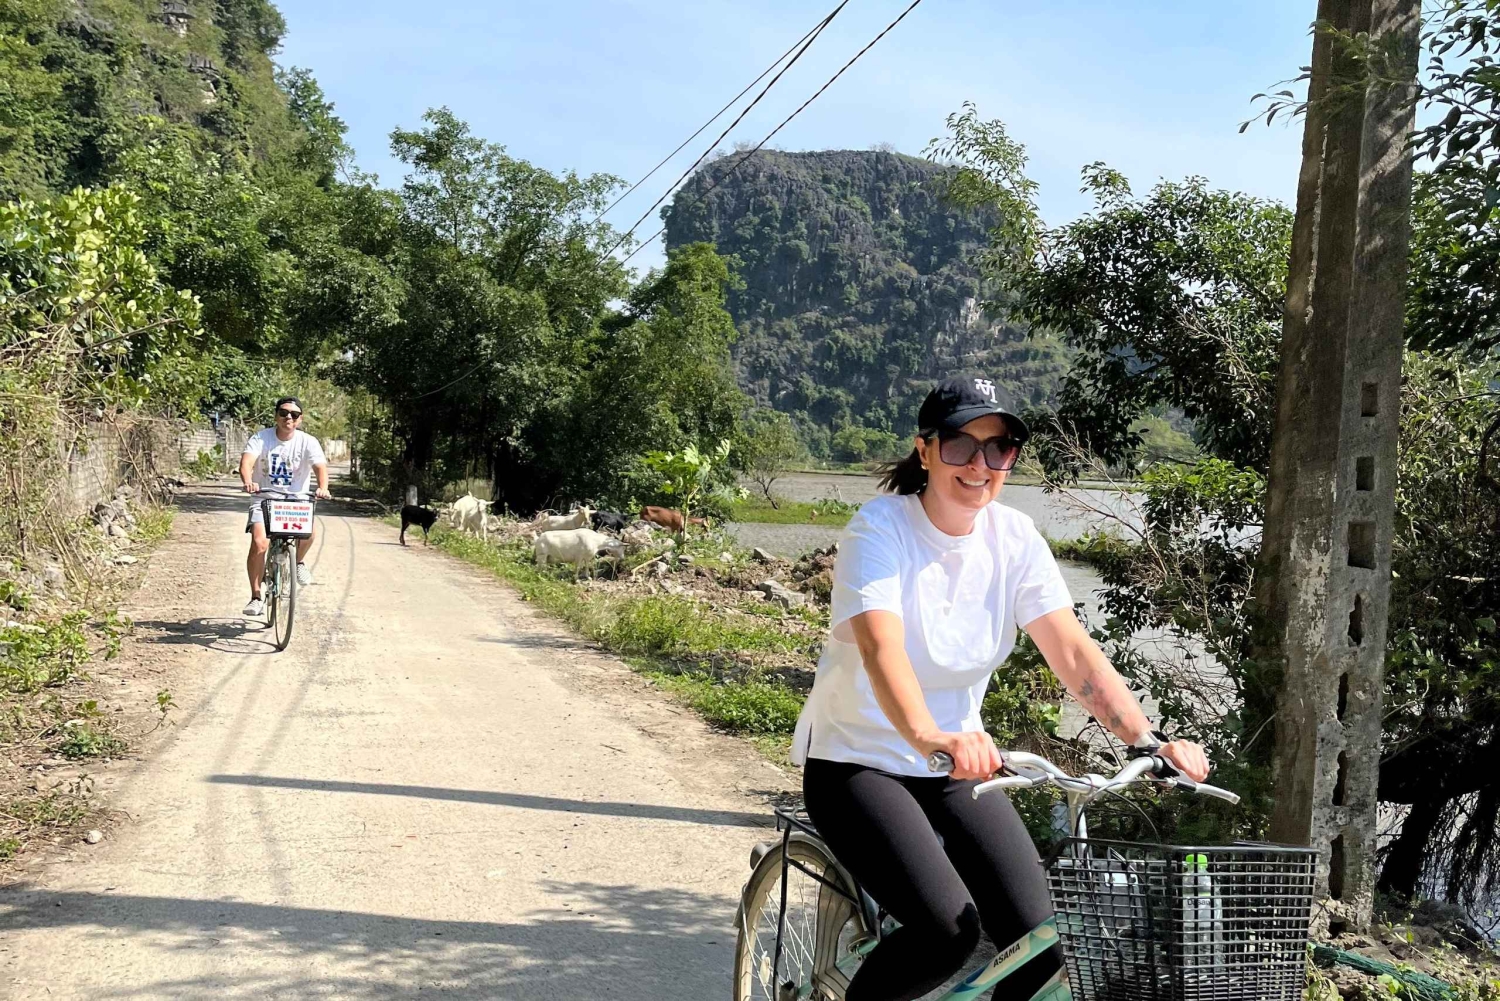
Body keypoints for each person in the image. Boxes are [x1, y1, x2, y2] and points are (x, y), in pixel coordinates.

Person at [789, 376, 1211, 1001]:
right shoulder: (878, 531)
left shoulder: (1013, 538)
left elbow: (1071, 651)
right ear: (926, 450)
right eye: (961, 445)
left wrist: (1146, 740)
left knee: (1039, 944)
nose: (980, 465)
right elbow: (882, 648)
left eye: (1000, 448)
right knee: (946, 930)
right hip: (858, 762)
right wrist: (928, 733)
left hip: (960, 767)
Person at [239, 397, 331, 617]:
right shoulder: (261, 438)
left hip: (296, 500)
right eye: (283, 413)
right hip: (265, 497)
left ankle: (298, 561)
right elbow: (247, 463)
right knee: (260, 544)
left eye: (294, 414)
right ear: (276, 415)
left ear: (300, 419)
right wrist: (248, 481)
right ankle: (255, 596)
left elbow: (320, 467)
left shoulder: (308, 441)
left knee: (309, 533)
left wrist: (323, 488)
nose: (288, 417)